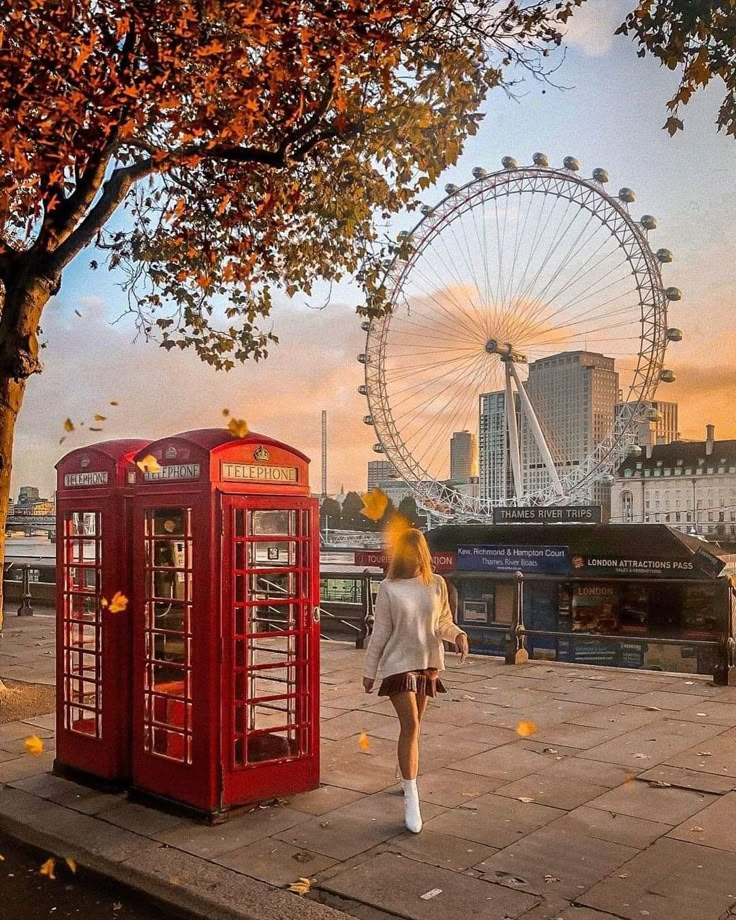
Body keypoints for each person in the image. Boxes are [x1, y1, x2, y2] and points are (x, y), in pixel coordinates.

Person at [362, 529, 469, 833]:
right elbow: (380, 632)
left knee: (415, 728)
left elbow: (443, 622)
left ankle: (403, 771)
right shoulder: (389, 588)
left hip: (427, 663)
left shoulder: (436, 585)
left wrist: (459, 635)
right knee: (410, 726)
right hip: (398, 664)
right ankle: (412, 796)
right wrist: (369, 672)